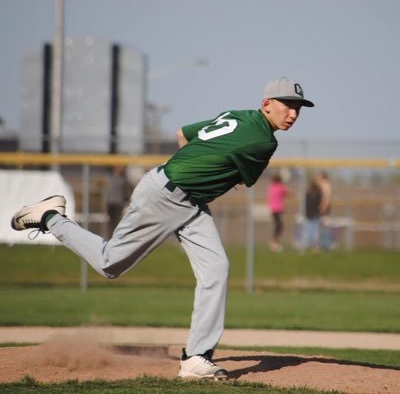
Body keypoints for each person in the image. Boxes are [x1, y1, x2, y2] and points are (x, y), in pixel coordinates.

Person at [11, 76, 314, 380]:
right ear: (266, 104)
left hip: (188, 200)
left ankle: (196, 358)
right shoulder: (263, 141)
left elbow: (183, 134)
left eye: (298, 108)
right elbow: (240, 181)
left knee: (216, 269)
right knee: (109, 263)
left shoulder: (237, 116)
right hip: (167, 197)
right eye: (287, 105)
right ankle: (51, 217)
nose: (293, 114)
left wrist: (195, 166)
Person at [106, 165, 130, 238]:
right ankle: (110, 237)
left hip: (118, 204)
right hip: (111, 203)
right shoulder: (110, 177)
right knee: (111, 222)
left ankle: (116, 237)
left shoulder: (123, 179)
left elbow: (126, 193)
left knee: (117, 222)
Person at [267, 173, 289, 252]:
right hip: (278, 209)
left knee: (278, 226)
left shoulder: (271, 187)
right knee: (279, 227)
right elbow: (287, 193)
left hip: (273, 209)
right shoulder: (280, 187)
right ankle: (274, 243)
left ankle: (274, 243)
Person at [302, 176, 322, 252]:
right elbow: (319, 204)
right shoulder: (317, 193)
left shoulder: (308, 193)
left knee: (308, 233)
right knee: (315, 233)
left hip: (309, 214)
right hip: (314, 215)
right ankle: (315, 248)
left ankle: (306, 247)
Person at [316, 170, 332, 250]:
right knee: (321, 227)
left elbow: (326, 198)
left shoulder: (325, 185)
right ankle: (323, 244)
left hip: (324, 208)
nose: (317, 178)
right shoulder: (322, 185)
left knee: (324, 226)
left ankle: (325, 245)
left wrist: (324, 207)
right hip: (322, 207)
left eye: (319, 177)